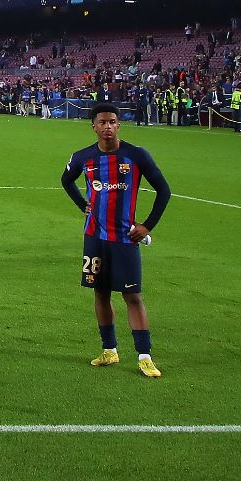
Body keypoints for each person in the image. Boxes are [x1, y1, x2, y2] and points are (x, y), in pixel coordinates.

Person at [60, 102, 172, 378]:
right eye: (102, 122)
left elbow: (164, 191)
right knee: (100, 292)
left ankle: (144, 356)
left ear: (118, 124)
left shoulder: (136, 155)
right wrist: (82, 204)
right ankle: (109, 349)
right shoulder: (83, 157)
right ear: (94, 126)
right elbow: (66, 180)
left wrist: (147, 225)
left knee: (132, 295)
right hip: (94, 237)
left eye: (112, 122)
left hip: (124, 238)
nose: (107, 127)